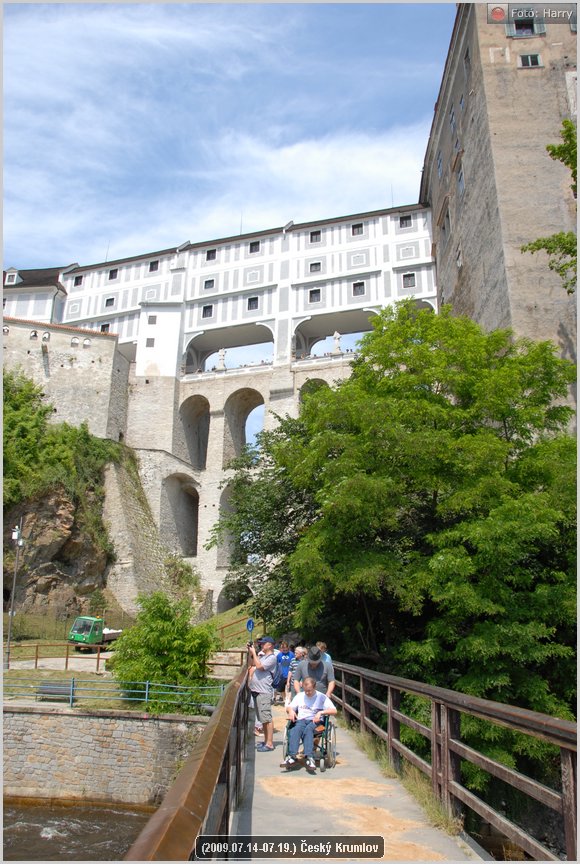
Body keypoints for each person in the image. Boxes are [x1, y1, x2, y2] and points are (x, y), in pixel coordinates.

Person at [281, 676, 337, 773]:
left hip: (316, 722)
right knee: (295, 729)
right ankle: (292, 756)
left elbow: (334, 710)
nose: (307, 693)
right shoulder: (299, 696)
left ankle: (309, 757)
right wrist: (291, 711)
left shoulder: (321, 697)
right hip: (302, 720)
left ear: (314, 687)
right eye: (306, 690)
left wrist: (321, 713)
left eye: (310, 691)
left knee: (308, 730)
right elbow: (289, 707)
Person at [248, 635, 277, 751]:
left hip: (264, 691)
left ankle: (269, 743)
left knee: (266, 718)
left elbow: (259, 667)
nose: (261, 645)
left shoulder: (272, 658)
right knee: (262, 718)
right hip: (256, 691)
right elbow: (252, 664)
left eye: (263, 643)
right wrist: (250, 653)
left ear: (270, 645)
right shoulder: (263, 656)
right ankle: (265, 741)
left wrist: (255, 653)